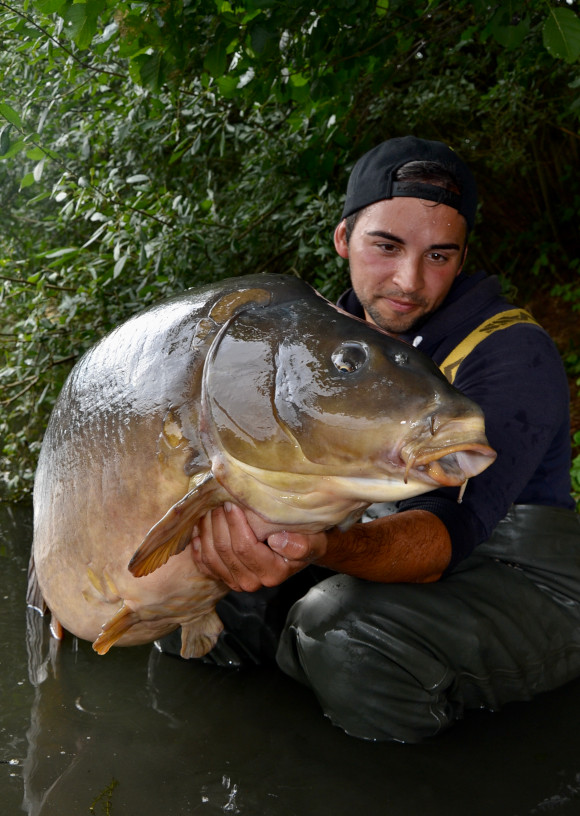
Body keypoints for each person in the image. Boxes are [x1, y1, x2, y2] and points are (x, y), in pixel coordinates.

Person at [159, 135, 580, 743]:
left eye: (439, 256)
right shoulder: (324, 343)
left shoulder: (514, 353)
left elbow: (442, 542)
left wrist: (311, 546)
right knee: (204, 602)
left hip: (522, 576)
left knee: (343, 632)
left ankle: (426, 801)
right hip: (383, 547)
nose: (409, 280)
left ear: (462, 260)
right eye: (386, 246)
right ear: (343, 239)